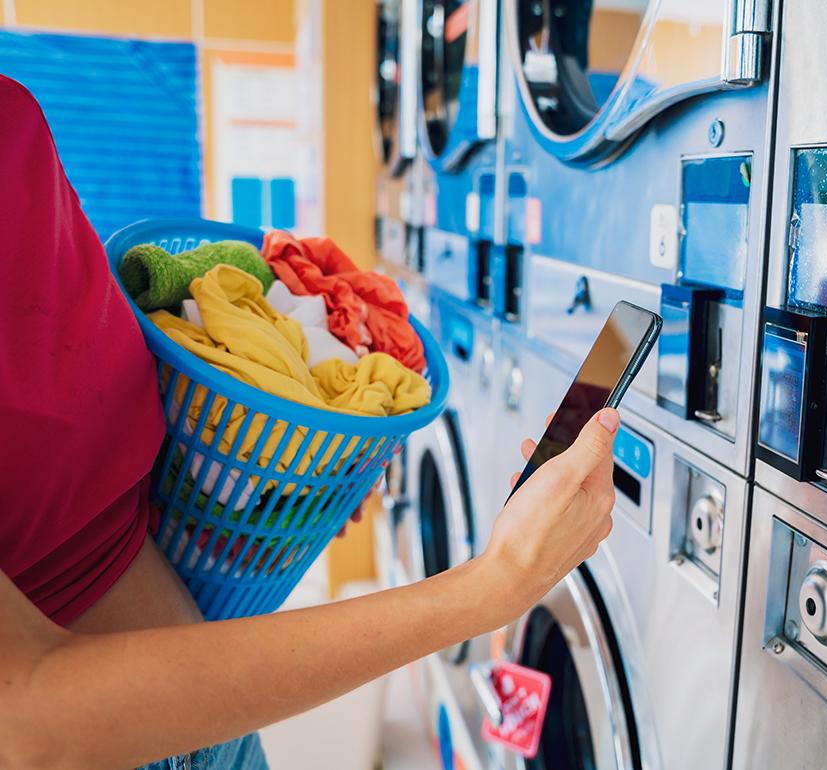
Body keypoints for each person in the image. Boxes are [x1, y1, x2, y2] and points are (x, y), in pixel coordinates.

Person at [0, 75, 619, 770]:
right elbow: (26, 721)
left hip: (199, 700)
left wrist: (288, 487)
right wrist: (496, 584)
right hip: (127, 743)